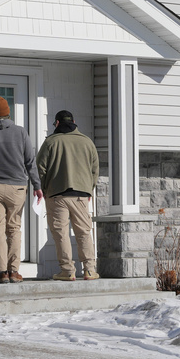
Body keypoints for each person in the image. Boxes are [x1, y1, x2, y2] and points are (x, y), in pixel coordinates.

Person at [0, 96, 43, 284]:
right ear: (8, 113)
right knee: (14, 228)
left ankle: (2, 271)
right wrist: (37, 186)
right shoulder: (21, 132)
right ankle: (14, 271)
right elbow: (30, 162)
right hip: (17, 188)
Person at [36, 110, 100, 281]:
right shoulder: (87, 142)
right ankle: (89, 270)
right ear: (74, 121)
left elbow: (40, 168)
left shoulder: (51, 142)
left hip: (57, 195)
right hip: (81, 195)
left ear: (57, 123)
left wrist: (44, 188)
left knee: (61, 233)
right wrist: (89, 189)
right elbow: (95, 170)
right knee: (84, 232)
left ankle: (67, 270)